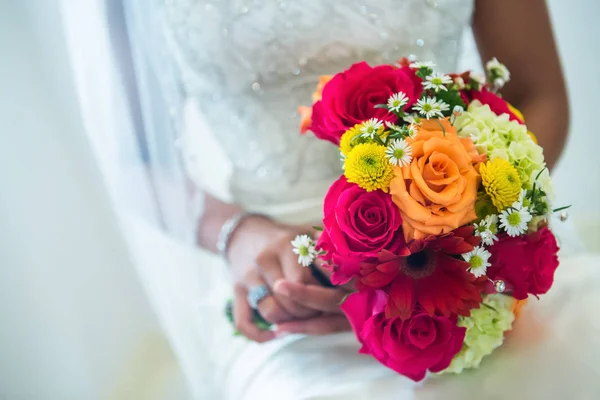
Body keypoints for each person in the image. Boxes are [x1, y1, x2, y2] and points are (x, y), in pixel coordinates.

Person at [141, 0, 600, 398]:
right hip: (286, 284)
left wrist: (466, 217)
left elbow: (537, 93)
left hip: (468, 249)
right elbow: (136, 158)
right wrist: (238, 234)